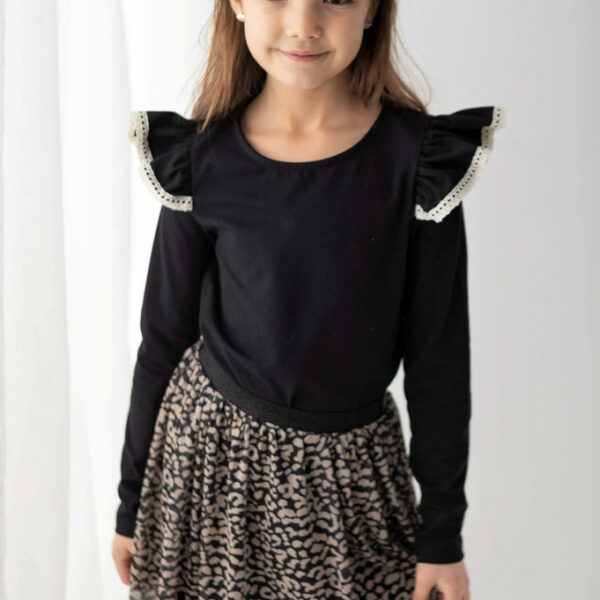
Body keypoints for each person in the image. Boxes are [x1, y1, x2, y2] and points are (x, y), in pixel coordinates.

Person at [111, 1, 505, 598]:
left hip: (352, 482)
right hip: (207, 470)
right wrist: (131, 503)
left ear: (372, 10)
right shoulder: (203, 159)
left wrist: (442, 538)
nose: (303, 23)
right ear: (237, 4)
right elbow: (163, 339)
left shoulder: (419, 163)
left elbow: (439, 360)